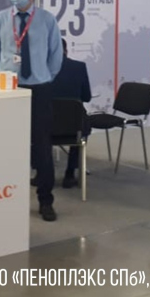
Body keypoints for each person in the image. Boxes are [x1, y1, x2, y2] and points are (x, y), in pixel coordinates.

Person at [0, 0, 63, 222]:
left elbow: (55, 56)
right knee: (7, 145)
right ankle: (6, 199)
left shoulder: (47, 20)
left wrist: (44, 77)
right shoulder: (0, 19)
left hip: (39, 89)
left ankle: (45, 201)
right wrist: (4, 77)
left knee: (42, 147)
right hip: (9, 90)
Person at [51, 38, 92, 188]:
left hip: (47, 127)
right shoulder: (79, 67)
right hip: (74, 127)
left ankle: (42, 174)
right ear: (66, 51)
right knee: (81, 128)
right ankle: (70, 174)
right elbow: (86, 97)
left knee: (36, 129)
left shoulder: (40, 70)